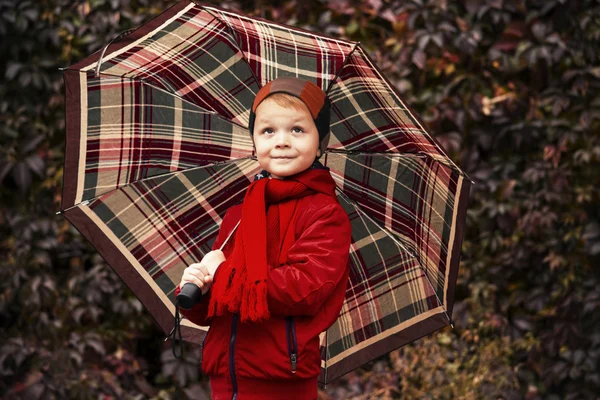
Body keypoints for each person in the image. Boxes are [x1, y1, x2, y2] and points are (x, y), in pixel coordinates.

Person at [174, 76, 352, 400]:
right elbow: (222, 303)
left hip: (281, 383)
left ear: (321, 141)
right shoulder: (239, 214)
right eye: (268, 130)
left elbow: (300, 290)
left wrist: (223, 273)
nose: (281, 141)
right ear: (254, 142)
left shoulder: (325, 214)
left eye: (297, 129)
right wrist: (199, 289)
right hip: (226, 382)